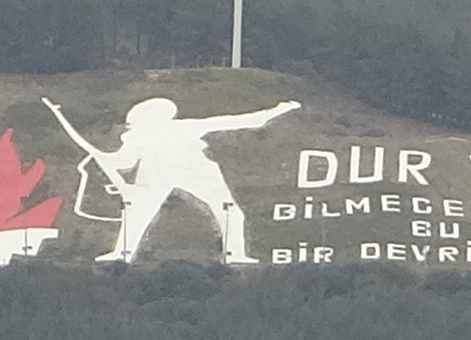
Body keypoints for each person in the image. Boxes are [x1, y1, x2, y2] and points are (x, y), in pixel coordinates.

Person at [63, 95, 301, 264]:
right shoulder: (137, 136)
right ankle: (122, 254)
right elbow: (123, 163)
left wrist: (273, 112)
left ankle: (235, 254)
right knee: (136, 213)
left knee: (228, 210)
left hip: (194, 169)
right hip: (156, 173)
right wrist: (103, 157)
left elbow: (229, 121)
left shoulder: (180, 128)